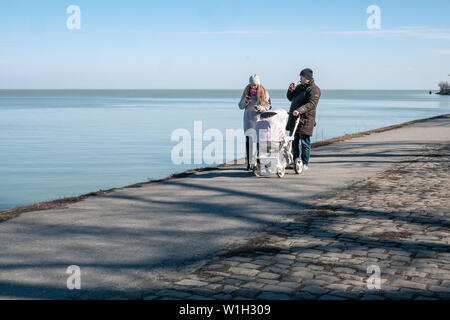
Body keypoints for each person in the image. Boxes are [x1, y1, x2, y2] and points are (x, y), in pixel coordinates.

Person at [286, 68, 321, 171]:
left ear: (307, 78)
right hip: (294, 119)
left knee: (305, 142)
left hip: (306, 119)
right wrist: (290, 90)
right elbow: (290, 98)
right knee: (294, 141)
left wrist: (299, 110)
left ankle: (305, 163)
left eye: (302, 76)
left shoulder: (314, 89)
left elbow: (312, 104)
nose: (300, 78)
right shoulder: (299, 87)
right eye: (300, 76)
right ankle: (296, 161)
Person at [238, 74, 272, 170]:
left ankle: (258, 162)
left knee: (259, 142)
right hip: (248, 120)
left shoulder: (264, 92)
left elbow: (269, 106)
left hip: (259, 120)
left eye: (255, 85)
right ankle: (248, 163)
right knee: (249, 142)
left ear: (259, 84)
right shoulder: (246, 92)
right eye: (252, 85)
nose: (253, 87)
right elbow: (240, 106)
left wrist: (261, 108)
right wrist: (245, 101)